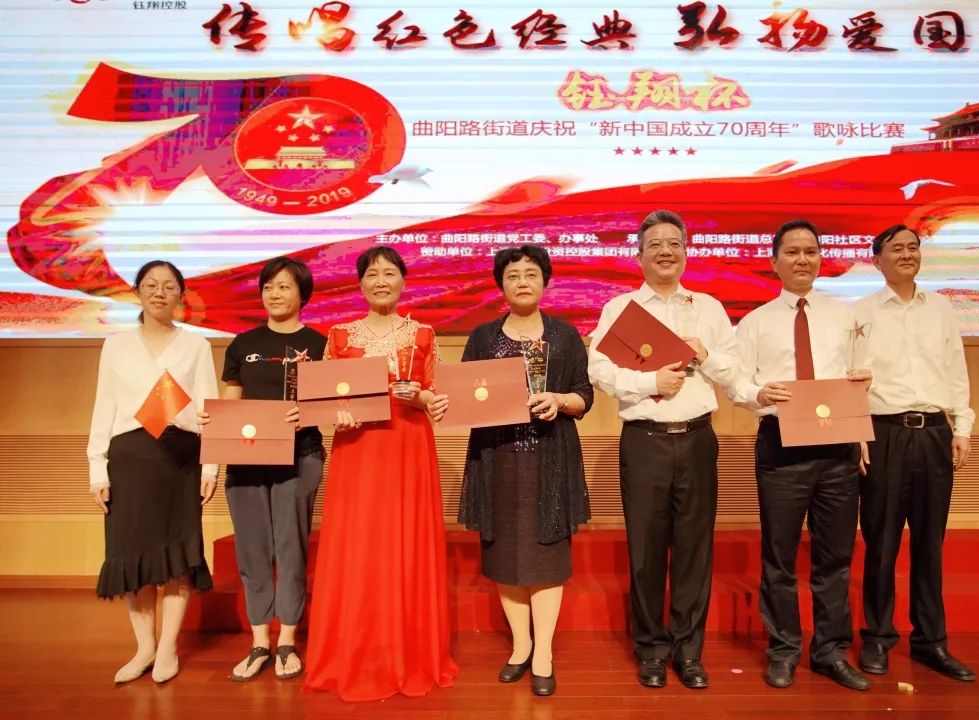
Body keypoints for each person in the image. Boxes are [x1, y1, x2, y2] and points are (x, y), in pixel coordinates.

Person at [588, 210, 740, 690]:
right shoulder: (621, 309)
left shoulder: (708, 308)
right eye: (654, 244)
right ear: (639, 256)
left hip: (697, 438)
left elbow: (733, 371)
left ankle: (689, 653)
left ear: (686, 251)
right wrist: (650, 381)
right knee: (646, 551)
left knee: (694, 550)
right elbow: (599, 371)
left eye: (674, 242)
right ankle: (651, 650)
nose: (665, 251)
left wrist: (704, 355)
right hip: (645, 441)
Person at [432, 245, 592, 697]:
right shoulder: (483, 337)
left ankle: (544, 653)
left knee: (547, 559)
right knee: (505, 557)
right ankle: (521, 647)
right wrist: (445, 403)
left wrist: (559, 400)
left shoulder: (565, 336)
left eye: (531, 274)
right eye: (513, 275)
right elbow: (464, 394)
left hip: (551, 457)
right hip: (497, 457)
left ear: (545, 281)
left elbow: (584, 395)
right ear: (501, 285)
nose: (522, 281)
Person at [303, 246, 458, 701]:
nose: (381, 281)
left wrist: (423, 399)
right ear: (360, 284)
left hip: (408, 444)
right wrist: (337, 415)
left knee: (404, 540)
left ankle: (409, 653)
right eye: (372, 274)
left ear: (403, 281)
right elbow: (323, 399)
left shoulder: (423, 333)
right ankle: (354, 652)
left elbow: (437, 396)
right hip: (358, 448)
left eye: (390, 273)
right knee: (359, 545)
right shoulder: (339, 335)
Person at [729, 219, 870, 691]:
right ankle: (784, 650)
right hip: (781, 443)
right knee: (780, 557)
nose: (802, 259)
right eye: (792, 252)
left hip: (838, 445)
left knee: (835, 556)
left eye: (810, 251)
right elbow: (737, 381)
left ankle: (831, 652)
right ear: (774, 262)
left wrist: (863, 387)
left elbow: (862, 373)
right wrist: (757, 393)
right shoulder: (756, 321)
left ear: (821, 258)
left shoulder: (846, 317)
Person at [854, 224, 976, 682]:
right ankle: (877, 638)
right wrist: (855, 433)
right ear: (876, 260)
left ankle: (931, 641)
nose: (907, 254)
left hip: (934, 433)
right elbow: (850, 377)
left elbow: (956, 370)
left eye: (913, 247)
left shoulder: (941, 308)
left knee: (930, 543)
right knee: (881, 542)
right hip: (883, 433)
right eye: (896, 249)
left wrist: (962, 426)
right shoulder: (860, 313)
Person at [87, 260, 218, 684]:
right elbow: (104, 406)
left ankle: (167, 649)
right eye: (150, 285)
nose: (159, 292)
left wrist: (211, 466)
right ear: (137, 292)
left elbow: (208, 409)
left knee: (178, 555)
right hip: (129, 459)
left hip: (180, 458)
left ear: (181, 294)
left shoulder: (195, 346)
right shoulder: (116, 346)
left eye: (168, 286)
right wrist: (97, 469)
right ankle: (144, 647)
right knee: (132, 556)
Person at [197, 257, 326, 682]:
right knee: (252, 550)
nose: (274, 294)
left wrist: (308, 414)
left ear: (302, 294)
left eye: (284, 286)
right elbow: (231, 403)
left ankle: (286, 639)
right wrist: (214, 422)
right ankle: (259, 642)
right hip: (246, 459)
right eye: (268, 287)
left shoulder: (320, 345)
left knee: (290, 548)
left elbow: (331, 404)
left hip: (300, 457)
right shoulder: (242, 344)